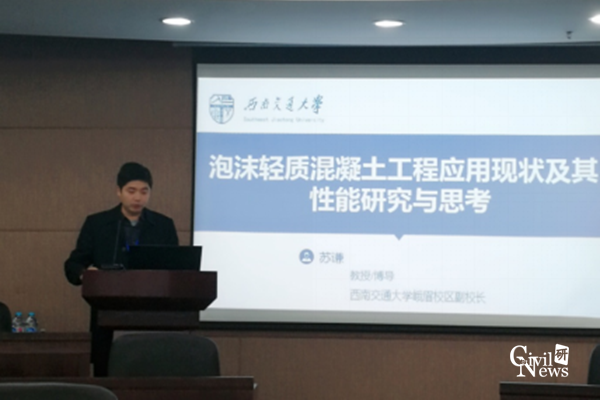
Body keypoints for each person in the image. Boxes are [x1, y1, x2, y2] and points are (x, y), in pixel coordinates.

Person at [64, 162, 178, 376]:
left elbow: (175, 268)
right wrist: (86, 274)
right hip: (107, 314)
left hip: (153, 315)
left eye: (144, 192)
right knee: (106, 376)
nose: (138, 198)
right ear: (119, 191)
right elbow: (73, 264)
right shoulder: (98, 224)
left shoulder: (163, 226)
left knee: (153, 376)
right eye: (131, 191)